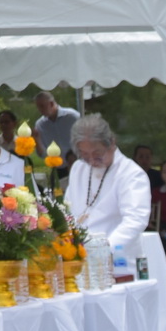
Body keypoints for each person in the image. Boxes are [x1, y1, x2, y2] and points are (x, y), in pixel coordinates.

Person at [66, 114, 152, 278]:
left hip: (119, 264)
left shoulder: (131, 174)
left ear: (111, 143)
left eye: (97, 154)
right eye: (84, 154)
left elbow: (135, 221)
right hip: (79, 263)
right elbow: (68, 210)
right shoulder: (78, 168)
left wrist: (102, 250)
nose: (91, 160)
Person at [32, 90, 78, 162]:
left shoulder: (72, 117)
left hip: (76, 163)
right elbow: (43, 153)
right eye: (38, 107)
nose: (40, 110)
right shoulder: (40, 125)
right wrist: (36, 140)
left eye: (42, 106)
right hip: (56, 167)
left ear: (51, 104)